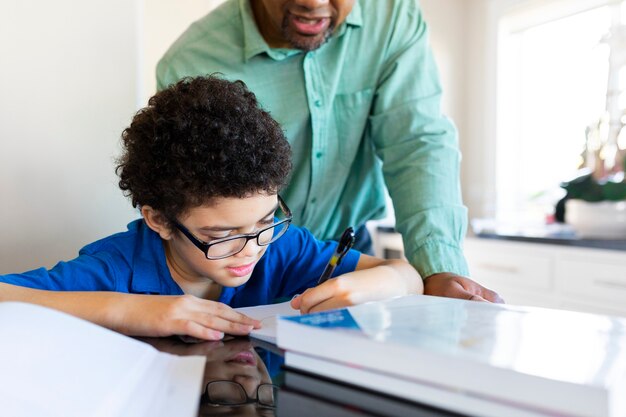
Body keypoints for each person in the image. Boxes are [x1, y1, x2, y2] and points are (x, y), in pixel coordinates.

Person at [0, 75, 422, 341]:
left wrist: (365, 287)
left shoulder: (281, 247)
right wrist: (126, 309)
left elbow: (409, 277)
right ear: (160, 220)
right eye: (221, 237)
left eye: (265, 221)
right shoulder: (116, 268)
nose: (250, 250)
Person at [156, 0, 503, 303]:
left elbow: (416, 143)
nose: (314, 2)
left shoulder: (393, 18)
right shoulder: (192, 59)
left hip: (349, 249)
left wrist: (438, 269)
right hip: (250, 261)